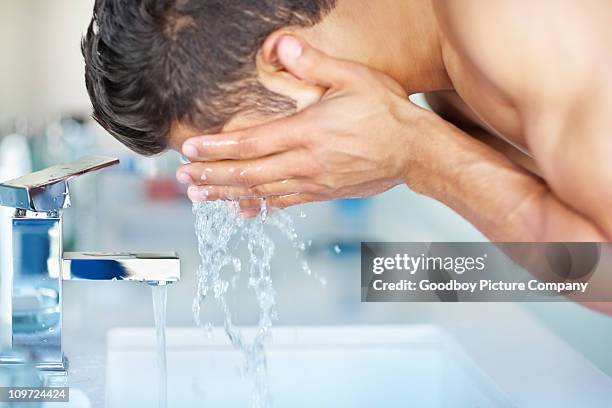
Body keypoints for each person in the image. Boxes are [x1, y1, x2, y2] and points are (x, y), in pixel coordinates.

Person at [83, 0, 612, 242]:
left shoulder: (517, 21)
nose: (259, 185)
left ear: (285, 63)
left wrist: (421, 155)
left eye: (243, 152)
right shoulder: (450, 90)